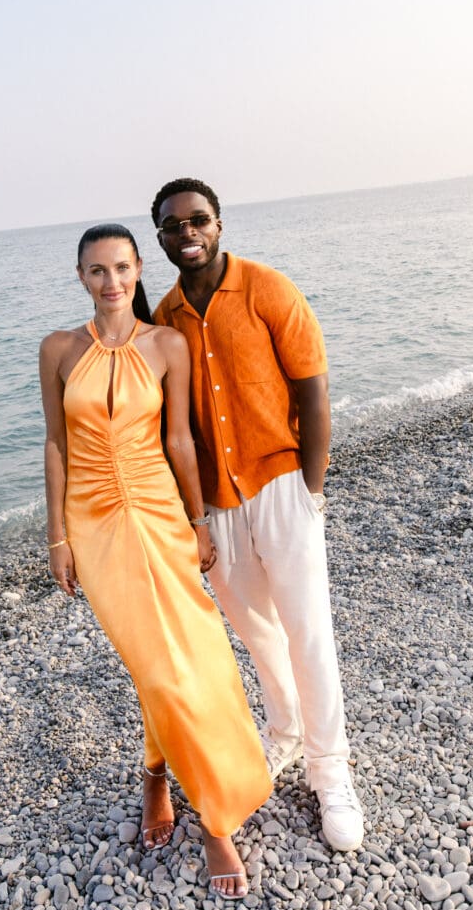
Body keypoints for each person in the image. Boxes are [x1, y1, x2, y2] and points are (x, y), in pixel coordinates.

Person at [39, 223, 273, 900]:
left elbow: (178, 437)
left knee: (194, 656)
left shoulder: (166, 345)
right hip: (94, 523)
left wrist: (200, 521)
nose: (110, 282)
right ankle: (166, 783)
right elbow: (55, 445)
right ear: (81, 277)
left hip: (161, 516)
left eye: (120, 268)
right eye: (96, 271)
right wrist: (57, 536)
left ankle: (199, 805)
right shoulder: (57, 350)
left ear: (139, 269)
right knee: (153, 664)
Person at [151, 179, 364, 853]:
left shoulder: (270, 289)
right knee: (256, 631)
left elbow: (314, 390)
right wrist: (193, 516)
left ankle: (332, 773)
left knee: (308, 630)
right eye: (171, 226)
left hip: (281, 485)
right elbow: (171, 425)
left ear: (218, 223)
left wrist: (312, 489)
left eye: (198, 220)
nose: (187, 234)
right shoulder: (166, 318)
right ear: (158, 236)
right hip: (217, 502)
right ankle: (286, 730)